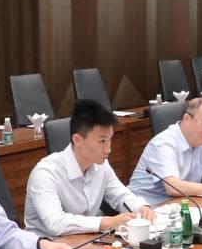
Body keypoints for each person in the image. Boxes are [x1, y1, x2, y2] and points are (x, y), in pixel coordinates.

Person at [24, 99, 156, 237]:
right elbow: (55, 223)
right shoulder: (45, 173)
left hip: (84, 241)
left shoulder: (101, 165)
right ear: (77, 140)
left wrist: (141, 208)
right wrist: (106, 222)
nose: (108, 149)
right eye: (102, 141)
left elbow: (121, 195)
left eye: (110, 139)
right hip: (46, 246)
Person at [129, 98, 202, 201]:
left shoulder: (200, 143)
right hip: (146, 206)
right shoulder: (163, 144)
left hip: (179, 203)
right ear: (187, 119)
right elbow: (172, 187)